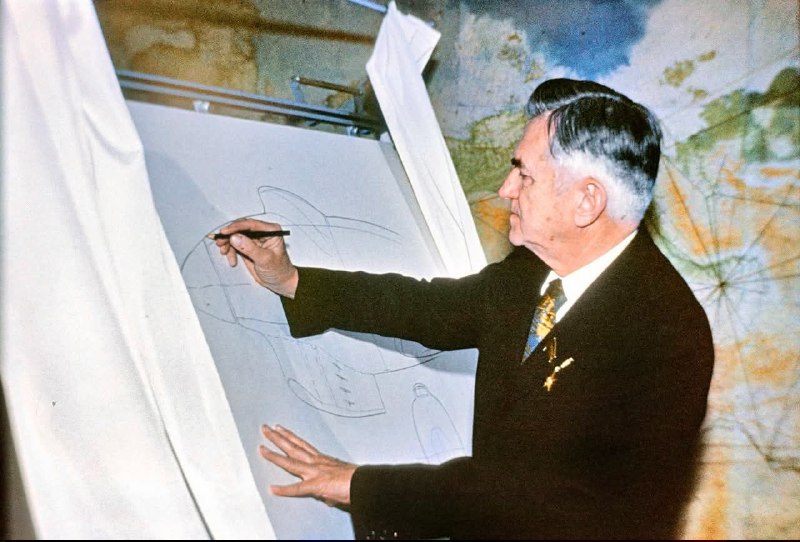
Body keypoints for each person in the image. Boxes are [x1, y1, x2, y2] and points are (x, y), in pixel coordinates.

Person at [214, 78, 715, 540]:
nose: (505, 189)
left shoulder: (665, 333)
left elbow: (537, 498)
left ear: (587, 201)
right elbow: (430, 308)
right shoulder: (535, 269)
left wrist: (361, 485)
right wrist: (292, 280)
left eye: (524, 175)